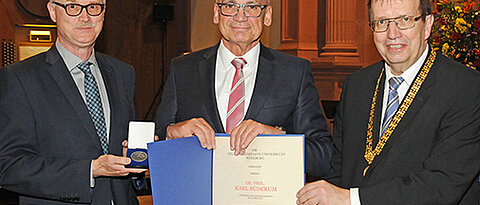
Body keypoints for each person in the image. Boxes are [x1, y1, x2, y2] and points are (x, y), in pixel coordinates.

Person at [296, 0, 480, 204]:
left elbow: (442, 184)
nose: (392, 34)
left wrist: (353, 199)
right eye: (382, 22)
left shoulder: (466, 88)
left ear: (427, 24)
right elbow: (338, 171)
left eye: (405, 20)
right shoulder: (357, 86)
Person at [154, 0, 333, 177]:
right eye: (230, 6)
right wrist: (171, 132)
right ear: (216, 13)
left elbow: (323, 156)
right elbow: (155, 139)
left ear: (267, 15)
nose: (240, 17)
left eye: (252, 7)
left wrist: (278, 137)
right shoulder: (183, 69)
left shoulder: (294, 72)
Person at [0, 0, 146, 204]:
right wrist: (90, 170)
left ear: (104, 12)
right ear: (52, 11)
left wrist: (135, 156)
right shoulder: (19, 78)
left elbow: (121, 147)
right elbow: (10, 166)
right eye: (73, 7)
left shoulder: (123, 73)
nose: (85, 17)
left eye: (93, 7)